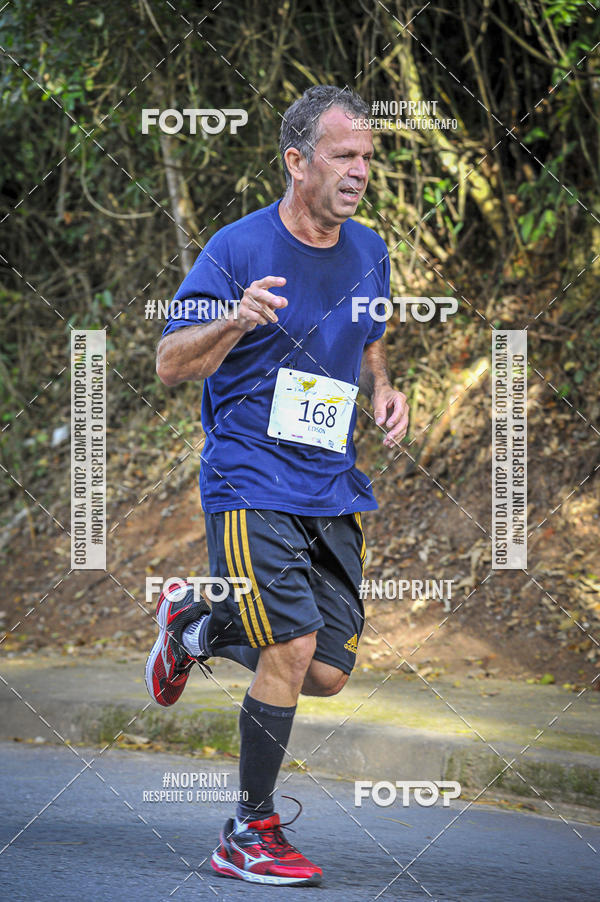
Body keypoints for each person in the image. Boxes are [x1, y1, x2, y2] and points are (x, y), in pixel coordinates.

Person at [145, 84, 409, 887]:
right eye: (343, 155)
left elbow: (370, 335)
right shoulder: (238, 247)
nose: (360, 170)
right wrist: (234, 318)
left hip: (331, 482)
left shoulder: (370, 249)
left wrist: (383, 386)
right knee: (289, 647)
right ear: (297, 161)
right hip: (250, 475)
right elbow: (169, 363)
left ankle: (196, 625)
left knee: (325, 670)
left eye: (367, 156)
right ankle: (248, 831)